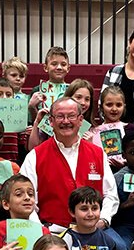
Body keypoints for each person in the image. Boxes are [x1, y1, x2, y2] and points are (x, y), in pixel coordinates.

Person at [20, 97, 119, 231]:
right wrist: (41, 232)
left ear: (80, 120)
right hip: (52, 231)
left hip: (94, 229)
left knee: (121, 248)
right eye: (60, 116)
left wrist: (103, 220)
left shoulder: (98, 153)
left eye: (71, 116)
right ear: (51, 121)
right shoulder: (35, 156)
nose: (66, 121)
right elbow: (27, 202)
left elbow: (110, 194)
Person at [86, 85, 127, 169]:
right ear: (101, 107)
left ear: (124, 107)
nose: (114, 109)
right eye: (109, 105)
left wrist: (127, 163)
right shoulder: (93, 132)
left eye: (118, 105)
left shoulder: (131, 129)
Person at [28, 46, 71, 123]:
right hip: (42, 133)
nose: (59, 67)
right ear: (45, 67)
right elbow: (33, 122)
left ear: (68, 68)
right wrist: (32, 107)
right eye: (54, 64)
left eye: (63, 64)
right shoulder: (37, 90)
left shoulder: (72, 90)